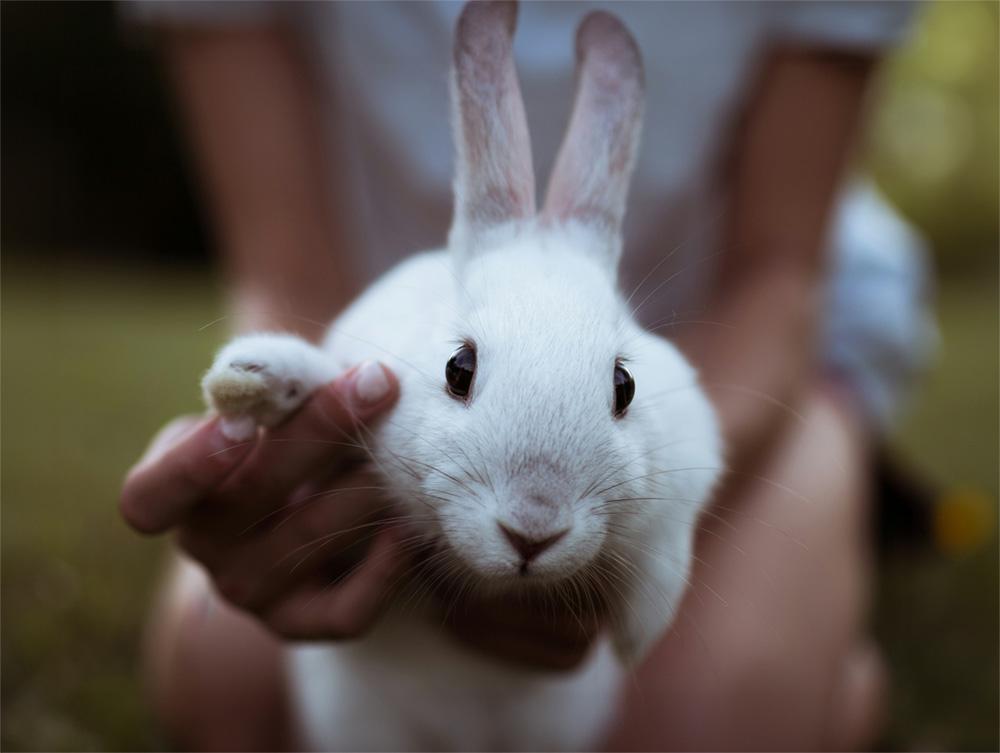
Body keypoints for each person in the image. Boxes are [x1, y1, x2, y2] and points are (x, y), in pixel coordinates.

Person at [119, 2, 935, 750]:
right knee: (227, 685)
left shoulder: (659, 373)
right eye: (461, 375)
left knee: (708, 725)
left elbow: (778, 274)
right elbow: (288, 277)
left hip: (752, 332)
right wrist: (270, 448)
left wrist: (649, 533)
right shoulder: (413, 324)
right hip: (387, 284)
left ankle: (834, 621)